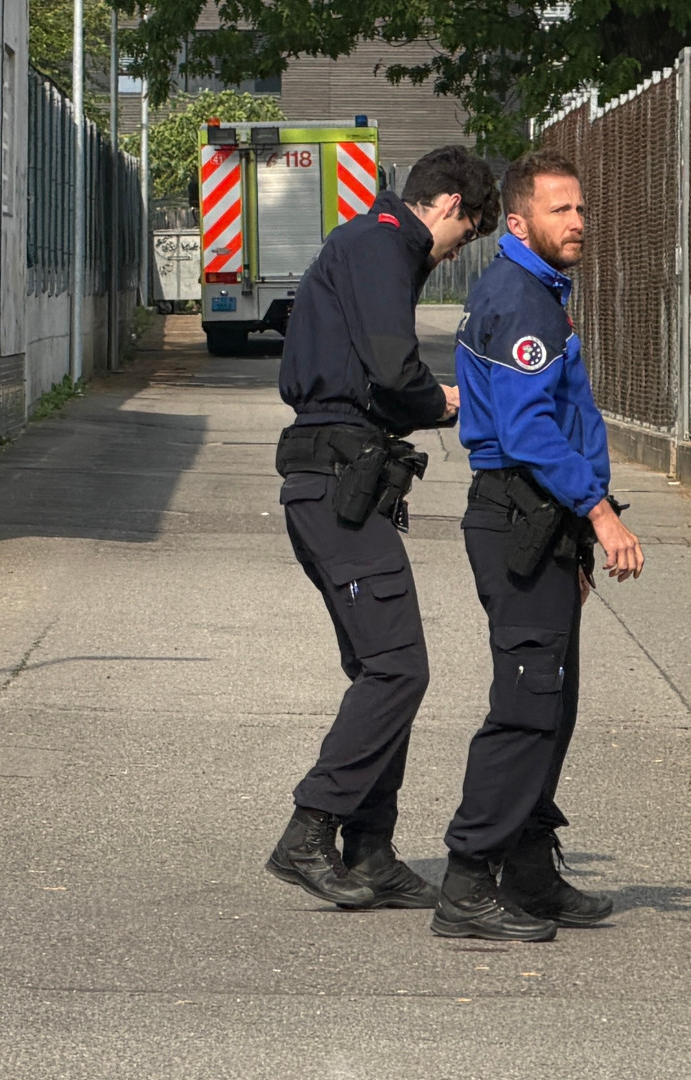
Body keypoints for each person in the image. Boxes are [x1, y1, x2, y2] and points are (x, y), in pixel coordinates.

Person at [267, 146, 500, 910]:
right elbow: (393, 369)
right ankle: (311, 831)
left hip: (334, 480)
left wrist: (413, 400)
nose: (454, 251)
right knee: (399, 667)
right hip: (336, 480)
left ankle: (369, 850)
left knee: (382, 668)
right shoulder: (382, 243)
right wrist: (442, 403)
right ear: (447, 206)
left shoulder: (367, 241)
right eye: (462, 236)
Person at [432, 150, 645, 943]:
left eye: (581, 208)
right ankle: (467, 881)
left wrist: (578, 540)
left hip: (540, 525)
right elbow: (526, 430)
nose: (578, 222)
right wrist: (600, 514)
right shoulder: (521, 301)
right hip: (518, 519)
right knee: (524, 709)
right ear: (518, 223)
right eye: (560, 210)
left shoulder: (535, 292)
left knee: (552, 705)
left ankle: (525, 869)